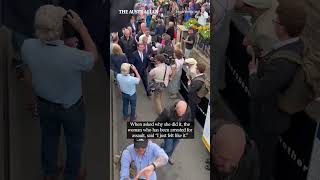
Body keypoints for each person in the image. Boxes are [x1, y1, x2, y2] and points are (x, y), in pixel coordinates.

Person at [21, 6, 98, 180]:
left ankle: (50, 173)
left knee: (48, 139)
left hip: (44, 103)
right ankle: (71, 175)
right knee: (74, 142)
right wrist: (81, 28)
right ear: (59, 28)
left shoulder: (27, 46)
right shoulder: (74, 56)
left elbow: (29, 73)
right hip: (71, 107)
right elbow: (93, 56)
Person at [248, 2, 306, 180]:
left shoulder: (282, 63)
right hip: (272, 117)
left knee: (262, 161)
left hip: (267, 120)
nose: (274, 24)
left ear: (283, 28)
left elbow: (258, 91)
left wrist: (253, 72)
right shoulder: (296, 44)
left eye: (276, 21)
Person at [155, 100, 191, 165]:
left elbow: (188, 120)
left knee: (173, 148)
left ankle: (168, 156)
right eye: (179, 113)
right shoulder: (167, 111)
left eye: (182, 114)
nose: (180, 116)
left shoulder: (188, 110)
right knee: (168, 148)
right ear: (175, 108)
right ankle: (159, 154)